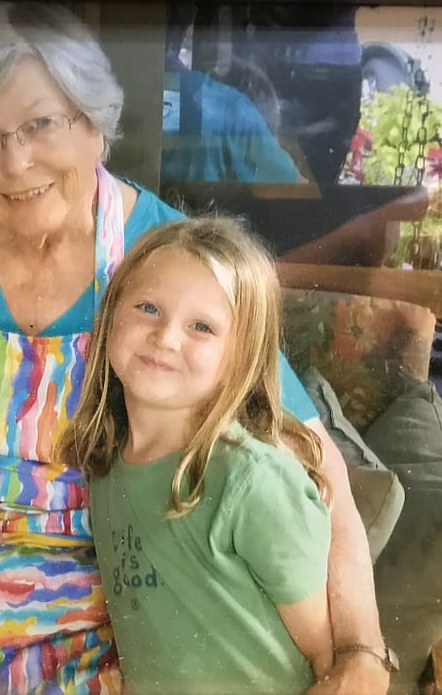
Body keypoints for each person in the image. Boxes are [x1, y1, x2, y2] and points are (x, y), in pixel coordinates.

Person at [0, 1, 387, 693]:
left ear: (94, 123)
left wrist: (362, 650)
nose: (15, 161)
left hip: (100, 634)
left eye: (40, 124)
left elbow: (312, 461)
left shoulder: (171, 265)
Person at [55, 219, 333, 693]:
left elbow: (324, 654)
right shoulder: (106, 461)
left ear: (241, 357)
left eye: (202, 327)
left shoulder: (252, 480)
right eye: (148, 308)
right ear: (110, 319)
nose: (165, 338)